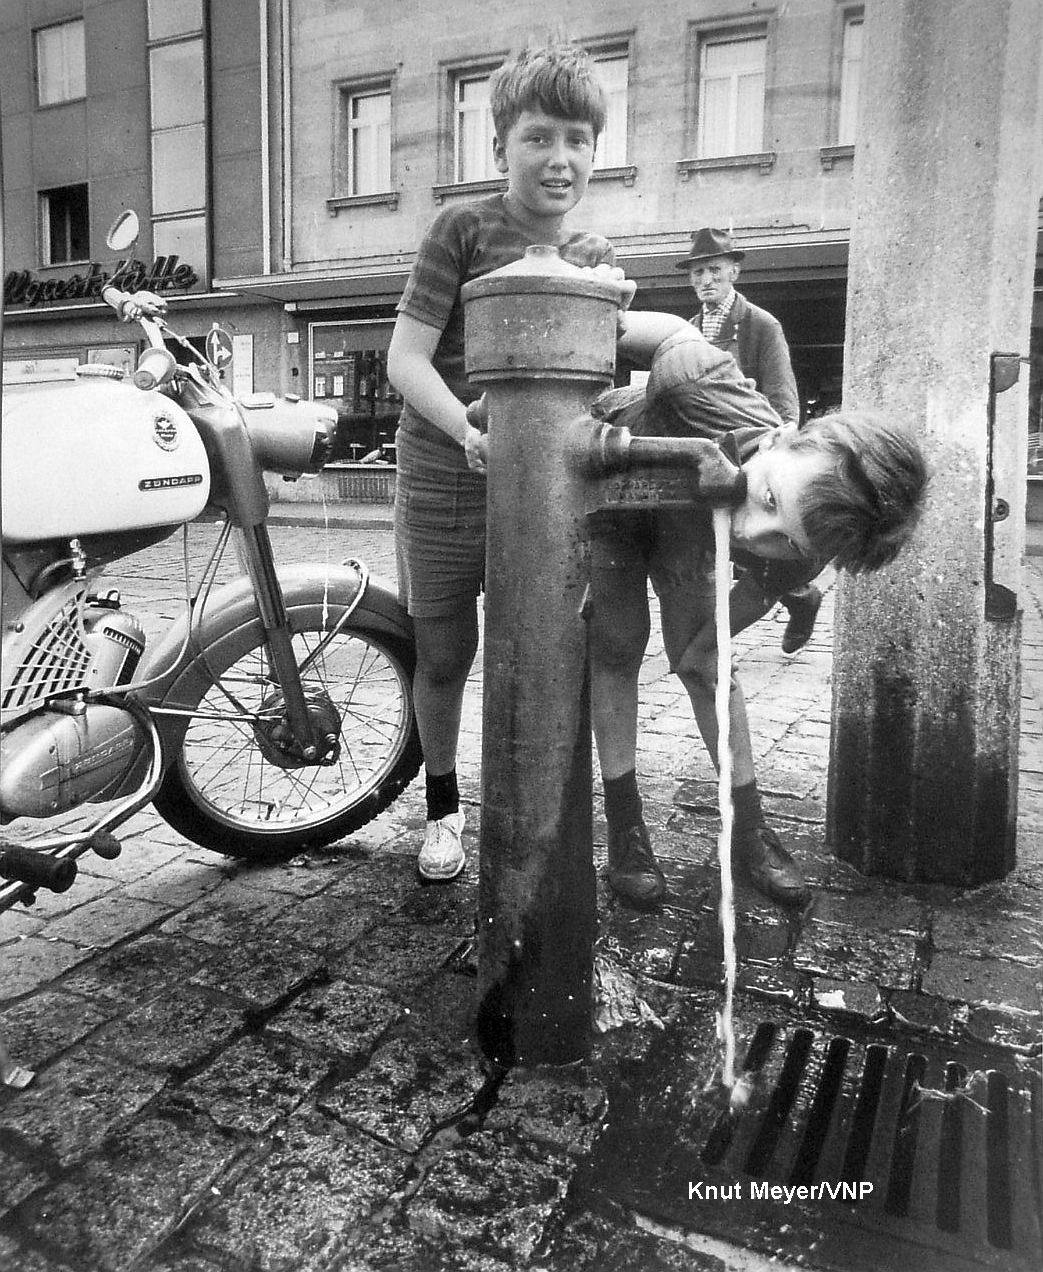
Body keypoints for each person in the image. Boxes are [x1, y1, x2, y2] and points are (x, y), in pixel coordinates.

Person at [587, 309, 928, 911]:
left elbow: (711, 639)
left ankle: (749, 831)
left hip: (692, 531)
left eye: (784, 539)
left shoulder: (809, 547)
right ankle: (626, 826)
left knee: (710, 671)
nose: (756, 527)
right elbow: (666, 334)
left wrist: (699, 651)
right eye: (770, 497)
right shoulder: (700, 381)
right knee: (616, 646)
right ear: (782, 440)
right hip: (613, 495)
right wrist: (598, 314)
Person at [386, 39, 615, 883]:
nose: (559, 159)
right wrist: (468, 433)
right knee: (446, 655)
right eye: (538, 137)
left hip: (542, 488)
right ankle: (441, 810)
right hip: (446, 476)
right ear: (500, 147)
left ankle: (541, 807)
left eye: (577, 140)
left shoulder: (589, 252)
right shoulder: (463, 227)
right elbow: (404, 360)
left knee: (549, 648)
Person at [681, 227, 824, 654]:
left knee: (751, 537)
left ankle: (797, 597)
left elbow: (782, 397)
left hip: (751, 449)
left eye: (714, 270)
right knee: (717, 537)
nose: (706, 279)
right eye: (698, 272)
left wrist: (779, 446)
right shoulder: (689, 329)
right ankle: (798, 596)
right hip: (705, 449)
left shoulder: (760, 325)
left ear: (734, 272)